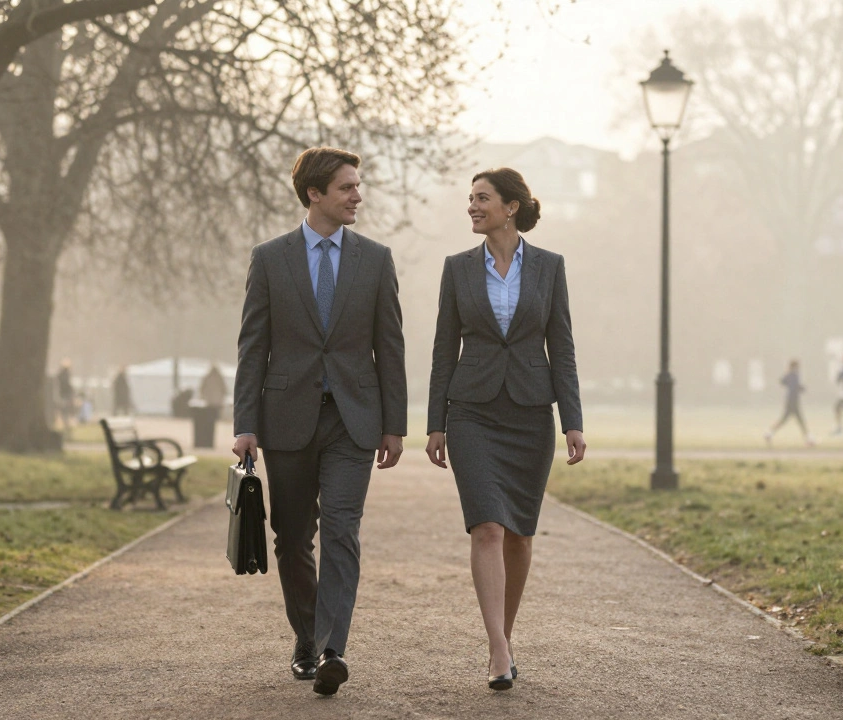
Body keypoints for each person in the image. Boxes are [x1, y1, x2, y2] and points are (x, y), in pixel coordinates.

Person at [232, 147, 406, 696]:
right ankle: (306, 637)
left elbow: (390, 346)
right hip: (285, 420)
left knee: (342, 529)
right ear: (314, 194)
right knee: (290, 537)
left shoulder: (376, 260)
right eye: (347, 188)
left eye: (358, 186)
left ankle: (333, 646)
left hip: (354, 420)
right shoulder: (270, 258)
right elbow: (251, 347)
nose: (358, 196)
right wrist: (244, 423)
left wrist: (394, 424)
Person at [425, 167, 585, 691]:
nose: (472, 206)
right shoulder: (457, 268)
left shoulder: (549, 267)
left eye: (482, 198)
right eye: (470, 199)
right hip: (471, 411)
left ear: (511, 207)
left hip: (531, 414)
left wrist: (573, 423)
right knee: (487, 526)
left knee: (519, 533)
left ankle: (504, 637)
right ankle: (497, 648)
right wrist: (434, 424)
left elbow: (560, 345)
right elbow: (444, 347)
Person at [764, 359, 814, 446]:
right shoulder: (795, 375)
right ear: (795, 366)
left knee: (785, 420)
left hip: (789, 401)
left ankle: (769, 434)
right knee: (800, 421)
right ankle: (809, 439)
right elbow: (795, 387)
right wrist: (801, 388)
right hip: (793, 401)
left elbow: (782, 381)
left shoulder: (789, 374)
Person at [56, 359, 74, 438]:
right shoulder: (65, 375)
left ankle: (66, 429)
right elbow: (67, 386)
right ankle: (67, 429)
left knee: (64, 413)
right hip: (65, 396)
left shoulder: (60, 375)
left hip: (63, 396)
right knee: (65, 413)